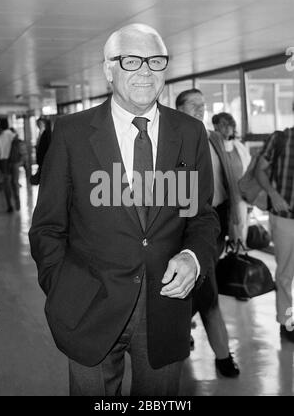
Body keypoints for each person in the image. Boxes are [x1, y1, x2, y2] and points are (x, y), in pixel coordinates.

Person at [29, 24, 219, 396]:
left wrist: (193, 256)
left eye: (156, 61)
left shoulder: (190, 132)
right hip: (88, 306)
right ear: (108, 70)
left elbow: (201, 216)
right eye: (131, 61)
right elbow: (47, 227)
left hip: (166, 305)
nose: (146, 70)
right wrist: (61, 289)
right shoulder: (71, 133)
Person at [176, 89, 240, 378]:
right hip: (186, 230)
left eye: (203, 105)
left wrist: (236, 222)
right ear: (179, 109)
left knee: (200, 287)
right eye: (194, 105)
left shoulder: (214, 138)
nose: (201, 109)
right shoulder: (173, 138)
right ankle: (222, 354)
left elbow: (228, 182)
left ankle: (183, 333)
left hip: (217, 222)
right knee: (204, 290)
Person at [256, 127, 294, 343]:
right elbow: (260, 170)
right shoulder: (281, 138)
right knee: (286, 275)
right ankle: (286, 321)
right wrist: (273, 194)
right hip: (285, 218)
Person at [213, 112, 251, 245]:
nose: (227, 127)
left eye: (230, 124)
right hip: (219, 199)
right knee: (219, 234)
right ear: (215, 126)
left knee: (240, 232)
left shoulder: (239, 147)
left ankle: (237, 259)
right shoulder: (213, 147)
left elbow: (248, 172)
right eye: (223, 124)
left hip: (239, 196)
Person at [0, 118, 17, 212]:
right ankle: (17, 201)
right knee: (15, 182)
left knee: (6, 184)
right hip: (14, 161)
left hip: (4, 162)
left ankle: (10, 205)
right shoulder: (13, 135)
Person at [30, 117, 52, 184]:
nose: (38, 125)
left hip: (44, 160)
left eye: (40, 124)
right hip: (42, 160)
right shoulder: (42, 133)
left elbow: (44, 148)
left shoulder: (47, 134)